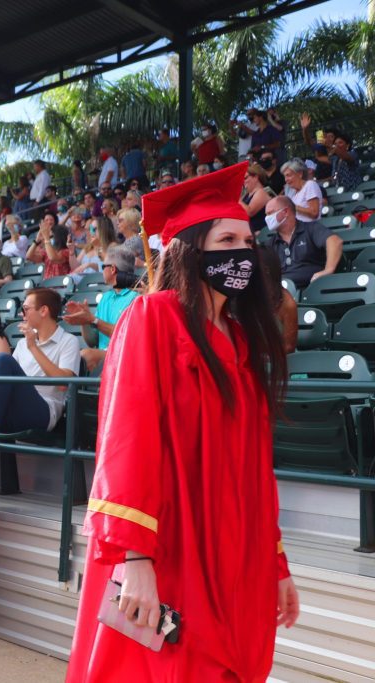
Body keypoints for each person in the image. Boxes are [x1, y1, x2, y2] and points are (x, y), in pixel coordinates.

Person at [67, 161, 298, 681]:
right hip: (170, 546)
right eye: (227, 239)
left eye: (247, 239)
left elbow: (257, 468)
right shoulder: (153, 319)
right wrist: (134, 559)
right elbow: (126, 442)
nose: (243, 251)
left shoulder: (239, 341)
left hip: (235, 555)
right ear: (192, 250)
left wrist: (276, 566)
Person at [0, 289, 80, 442]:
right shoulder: (22, 343)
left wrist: (33, 347)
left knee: (3, 360)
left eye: (25, 309)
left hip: (43, 412)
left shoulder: (69, 341)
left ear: (44, 310)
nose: (21, 314)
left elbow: (63, 384)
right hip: (14, 406)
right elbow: (5, 380)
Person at [64, 246, 140, 373]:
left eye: (103, 266)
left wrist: (93, 320)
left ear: (112, 269)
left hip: (124, 358)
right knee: (74, 355)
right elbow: (92, 341)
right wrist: (85, 321)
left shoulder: (136, 298)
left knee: (84, 355)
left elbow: (125, 337)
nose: (101, 270)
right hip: (105, 358)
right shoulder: (105, 297)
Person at [263, 195, 343, 288]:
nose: (267, 218)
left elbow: (335, 241)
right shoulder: (270, 244)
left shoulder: (311, 229)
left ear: (285, 212)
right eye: (266, 215)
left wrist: (328, 269)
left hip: (313, 288)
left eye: (270, 213)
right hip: (283, 292)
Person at [28, 215, 71, 280]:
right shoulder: (46, 251)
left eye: (51, 237)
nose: (50, 239)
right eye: (49, 237)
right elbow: (29, 256)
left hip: (61, 285)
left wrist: (46, 238)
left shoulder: (67, 251)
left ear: (59, 237)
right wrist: (37, 241)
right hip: (47, 285)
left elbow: (53, 258)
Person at [240, 163, 276, 233]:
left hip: (259, 232)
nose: (243, 181)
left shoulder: (261, 192)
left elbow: (250, 212)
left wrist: (237, 198)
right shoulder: (247, 194)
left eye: (245, 178)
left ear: (255, 177)